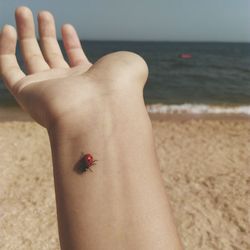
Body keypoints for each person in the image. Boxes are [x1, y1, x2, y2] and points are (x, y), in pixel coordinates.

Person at [0, 6, 183, 250]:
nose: (88, 163)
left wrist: (95, 111)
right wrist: (93, 114)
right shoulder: (87, 161)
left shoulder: (87, 161)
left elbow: (90, 160)